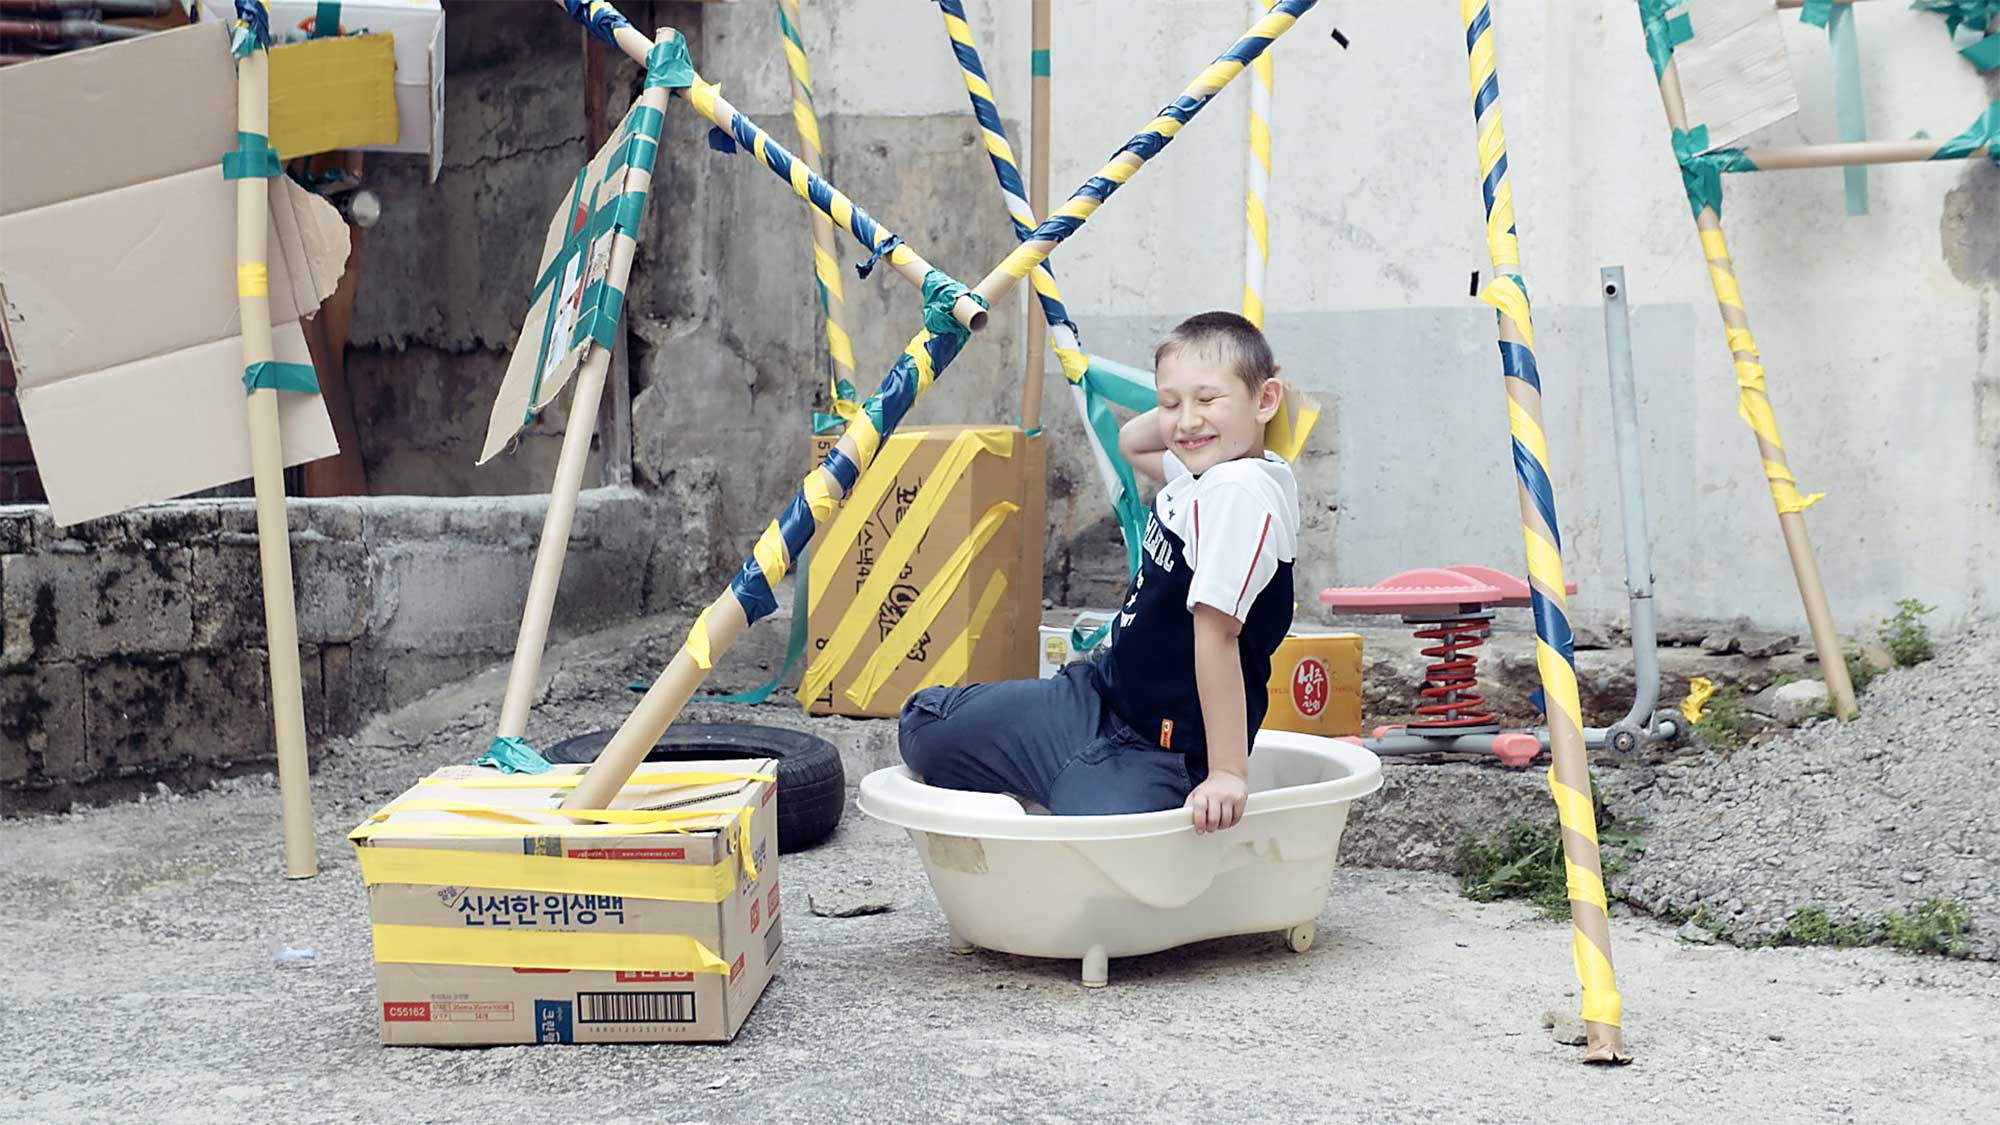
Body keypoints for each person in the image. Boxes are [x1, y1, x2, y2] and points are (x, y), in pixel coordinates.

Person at [898, 311, 1300, 833]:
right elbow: (1133, 442)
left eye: (1208, 399)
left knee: (1099, 847)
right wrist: (1191, 413)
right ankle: (1062, 778)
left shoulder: (1239, 493)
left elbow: (1218, 637)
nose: (1185, 422)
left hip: (1161, 751)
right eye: (1170, 402)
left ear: (1266, 399)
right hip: (1093, 699)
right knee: (923, 725)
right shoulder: (1205, 471)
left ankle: (1074, 788)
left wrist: (1227, 773)